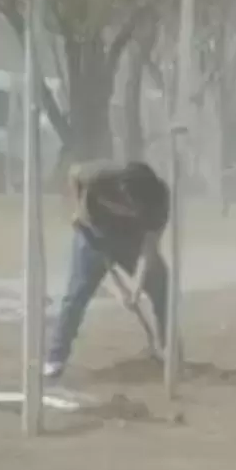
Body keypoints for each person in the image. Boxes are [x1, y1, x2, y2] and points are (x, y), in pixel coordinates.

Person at [45, 160, 172, 381]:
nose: (134, 211)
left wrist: (135, 289)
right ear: (122, 192)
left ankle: (168, 350)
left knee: (162, 285)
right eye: (132, 205)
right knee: (76, 295)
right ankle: (55, 358)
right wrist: (77, 209)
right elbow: (74, 173)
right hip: (93, 235)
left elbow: (149, 249)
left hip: (132, 241)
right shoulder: (100, 177)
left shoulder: (159, 199)